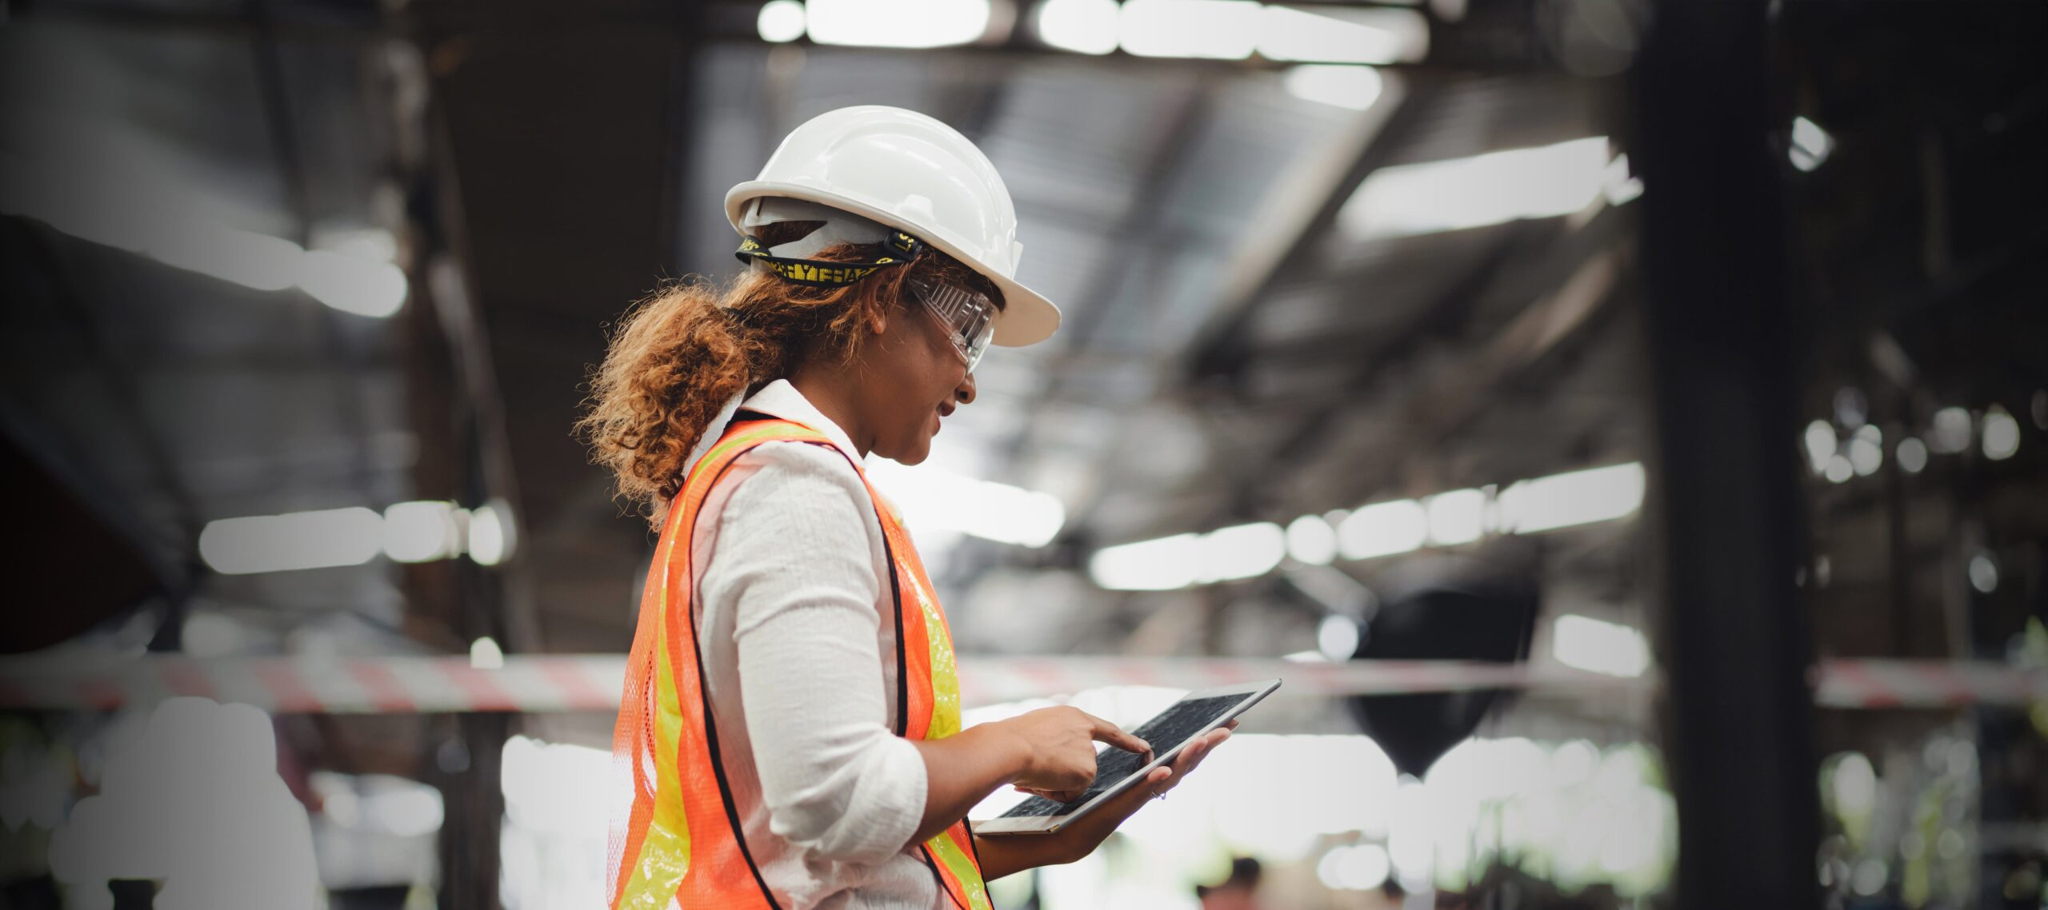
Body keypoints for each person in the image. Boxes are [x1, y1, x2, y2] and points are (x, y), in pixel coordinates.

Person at [579, 105, 1234, 910]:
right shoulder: (794, 484)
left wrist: (1045, 843)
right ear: (885, 294)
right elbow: (838, 804)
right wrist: (1015, 742)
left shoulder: (755, 472)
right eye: (969, 328)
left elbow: (795, 847)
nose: (968, 381)